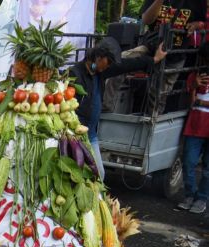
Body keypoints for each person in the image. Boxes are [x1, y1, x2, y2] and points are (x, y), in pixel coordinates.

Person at [72, 37, 167, 180]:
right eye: (108, 62)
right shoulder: (75, 74)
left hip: (91, 135)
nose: (109, 66)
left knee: (99, 175)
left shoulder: (101, 71)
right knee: (81, 176)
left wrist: (153, 60)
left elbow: (126, 65)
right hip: (76, 135)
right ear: (99, 57)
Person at [104, 0, 206, 115]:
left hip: (175, 55)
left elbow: (203, 21)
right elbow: (146, 20)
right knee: (120, 61)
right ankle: (105, 110)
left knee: (157, 95)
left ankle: (151, 123)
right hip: (151, 47)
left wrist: (197, 25)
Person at [177, 42, 209, 214]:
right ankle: (190, 195)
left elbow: (197, 102)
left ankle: (202, 198)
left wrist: (201, 101)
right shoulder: (195, 76)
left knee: (207, 170)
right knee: (188, 163)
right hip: (195, 125)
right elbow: (191, 103)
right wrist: (195, 87)